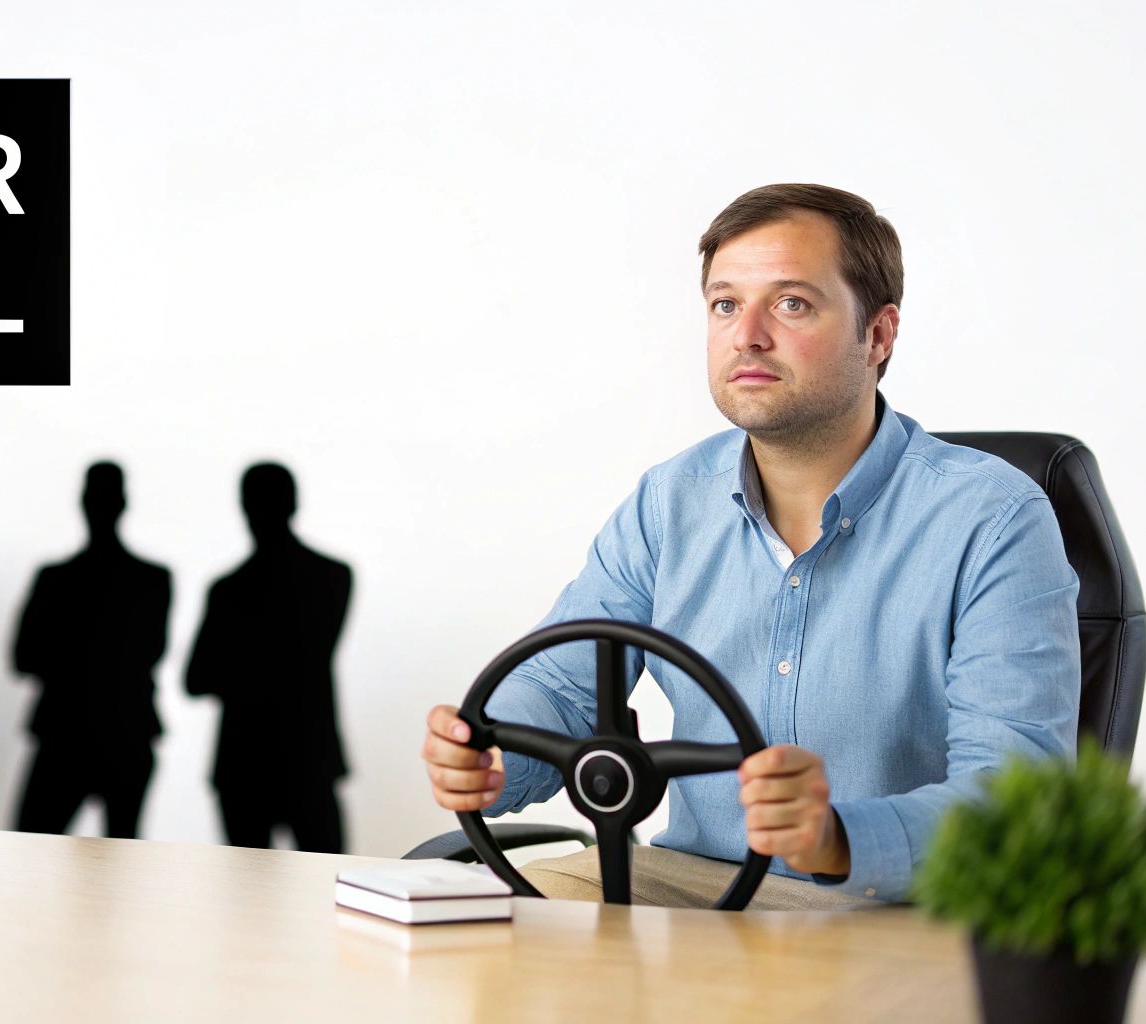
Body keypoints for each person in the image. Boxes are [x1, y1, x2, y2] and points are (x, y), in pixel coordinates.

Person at [421, 184, 1079, 909]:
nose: (747, 335)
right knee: (465, 950)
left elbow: (1016, 796)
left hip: (891, 906)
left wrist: (835, 837)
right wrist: (489, 755)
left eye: (792, 303)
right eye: (726, 304)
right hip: (689, 887)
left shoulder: (995, 516)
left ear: (879, 336)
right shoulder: (668, 502)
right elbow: (560, 687)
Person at [187, 463, 353, 854]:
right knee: (326, 887)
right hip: (306, 754)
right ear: (293, 503)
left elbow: (198, 679)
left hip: (246, 760)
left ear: (243, 506)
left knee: (248, 894)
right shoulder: (331, 576)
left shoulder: (229, 590)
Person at [11, 462, 171, 838]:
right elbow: (149, 651)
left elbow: (25, 657)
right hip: (123, 732)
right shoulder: (150, 580)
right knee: (120, 856)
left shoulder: (55, 579)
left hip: (66, 733)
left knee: (31, 847)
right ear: (123, 503)